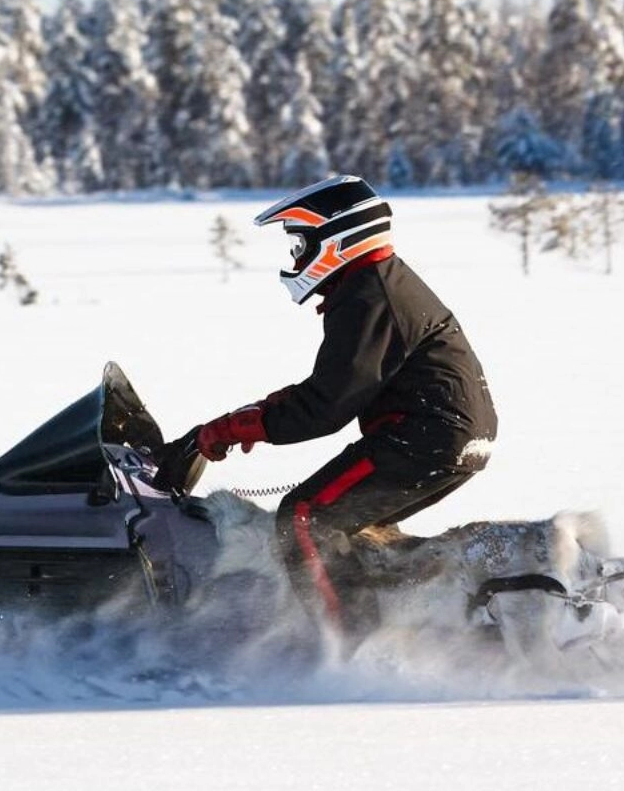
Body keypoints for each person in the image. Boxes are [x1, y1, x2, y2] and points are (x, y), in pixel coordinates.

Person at [179, 174, 499, 641]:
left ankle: (348, 644)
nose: (296, 258)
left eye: (300, 245)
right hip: (448, 437)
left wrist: (247, 426)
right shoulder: (375, 283)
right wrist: (250, 418)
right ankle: (412, 625)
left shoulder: (370, 293)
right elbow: (338, 385)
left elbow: (326, 407)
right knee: (351, 531)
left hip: (425, 436)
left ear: (337, 237)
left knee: (305, 518)